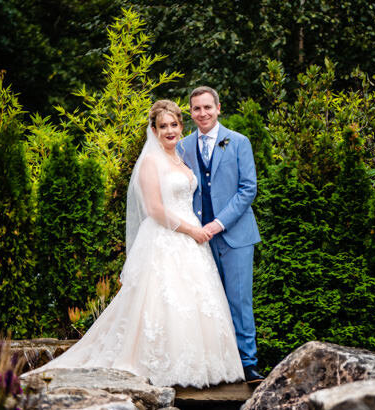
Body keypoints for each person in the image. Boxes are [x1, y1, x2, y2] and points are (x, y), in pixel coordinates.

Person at [35, 100, 244, 387]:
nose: (170, 131)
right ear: (154, 130)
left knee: (196, 303)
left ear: (181, 126)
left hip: (191, 243)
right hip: (166, 238)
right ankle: (157, 364)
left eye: (174, 125)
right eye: (163, 126)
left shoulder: (181, 159)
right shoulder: (150, 162)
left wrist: (197, 231)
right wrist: (191, 231)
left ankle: (202, 366)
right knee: (162, 301)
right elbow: (155, 210)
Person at [179, 86, 264, 383]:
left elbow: (248, 189)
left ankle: (248, 364)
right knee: (207, 303)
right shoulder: (183, 146)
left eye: (207, 107)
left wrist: (219, 223)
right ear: (190, 112)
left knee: (239, 301)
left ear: (218, 108)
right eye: (196, 109)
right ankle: (218, 366)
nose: (202, 113)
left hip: (235, 235)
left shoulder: (239, 142)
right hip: (197, 239)